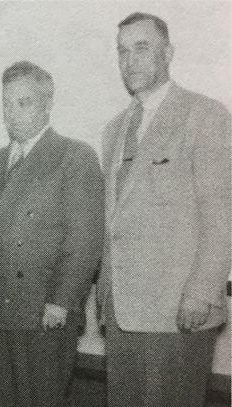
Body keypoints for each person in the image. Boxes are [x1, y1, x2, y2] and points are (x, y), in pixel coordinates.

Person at [96, 12, 231, 407]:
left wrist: (202, 292)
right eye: (122, 52)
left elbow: (220, 215)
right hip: (121, 313)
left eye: (142, 48)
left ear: (168, 53)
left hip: (177, 312)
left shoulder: (203, 115)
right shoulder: (114, 129)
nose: (130, 61)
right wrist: (105, 295)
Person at [0, 61, 104, 407]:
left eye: (23, 103)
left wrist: (62, 301)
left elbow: (83, 240)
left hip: (43, 308)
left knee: (41, 398)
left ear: (47, 104)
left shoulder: (73, 156)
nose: (12, 113)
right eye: (7, 104)